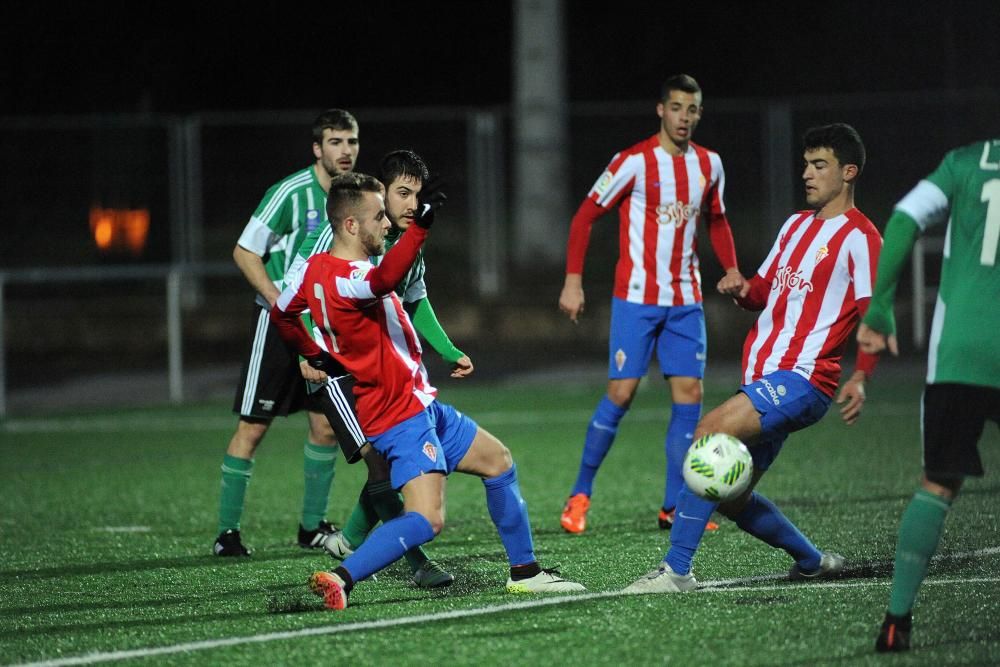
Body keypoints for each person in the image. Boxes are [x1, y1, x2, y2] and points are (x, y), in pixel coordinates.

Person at [271, 172, 585, 610]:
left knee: (498, 461)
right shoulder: (350, 278)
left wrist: (314, 352)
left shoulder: (313, 270)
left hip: (419, 405)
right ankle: (342, 577)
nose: (386, 223)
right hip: (398, 414)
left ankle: (526, 573)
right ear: (349, 226)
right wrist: (421, 227)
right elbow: (382, 282)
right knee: (427, 518)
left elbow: (281, 313)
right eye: (378, 216)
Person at [624, 123, 880, 594]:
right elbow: (764, 291)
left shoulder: (861, 238)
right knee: (731, 495)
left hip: (804, 379)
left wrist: (861, 376)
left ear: (848, 172)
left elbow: (874, 315)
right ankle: (812, 561)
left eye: (819, 165)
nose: (807, 173)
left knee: (707, 434)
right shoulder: (794, 225)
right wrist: (742, 289)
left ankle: (676, 571)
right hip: (766, 379)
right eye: (805, 164)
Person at [558, 74, 745, 535]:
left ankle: (674, 506)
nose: (685, 117)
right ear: (661, 110)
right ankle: (579, 495)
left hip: (685, 301)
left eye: (693, 109)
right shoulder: (634, 162)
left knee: (690, 398)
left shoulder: (710, 165)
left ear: (700, 114)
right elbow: (585, 216)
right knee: (621, 394)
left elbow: (717, 220)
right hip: (636, 300)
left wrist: (733, 268)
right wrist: (573, 282)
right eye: (677, 107)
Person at [286, 150, 469, 588]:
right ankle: (410, 562)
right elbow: (302, 291)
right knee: (378, 463)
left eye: (416, 196)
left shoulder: (402, 247)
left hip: (376, 375)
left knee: (382, 463)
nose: (410, 205)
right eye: (402, 194)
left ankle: (349, 542)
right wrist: (305, 355)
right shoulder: (342, 239)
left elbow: (415, 303)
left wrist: (446, 349)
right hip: (339, 373)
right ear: (379, 197)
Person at [857, 138, 1000, 652]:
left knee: (937, 485)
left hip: (958, 351)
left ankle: (897, 622)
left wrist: (880, 306)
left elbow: (902, 220)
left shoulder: (966, 162)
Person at [214, 109, 365, 556]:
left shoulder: (353, 196)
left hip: (322, 330)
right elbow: (244, 251)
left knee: (324, 427)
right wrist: (279, 301)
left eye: (352, 142)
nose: (346, 151)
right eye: (335, 142)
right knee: (254, 427)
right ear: (317, 148)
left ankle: (311, 527)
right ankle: (227, 534)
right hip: (279, 326)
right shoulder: (290, 193)